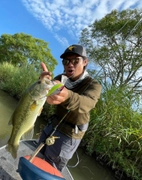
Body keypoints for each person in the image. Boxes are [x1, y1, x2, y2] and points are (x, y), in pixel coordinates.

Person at [37, 44, 102, 172]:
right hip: (54, 122)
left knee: (52, 166)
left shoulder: (94, 85)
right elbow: (42, 92)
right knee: (39, 150)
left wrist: (67, 96)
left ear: (85, 62)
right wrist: (42, 82)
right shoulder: (60, 78)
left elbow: (87, 103)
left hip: (71, 131)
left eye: (75, 60)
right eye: (66, 61)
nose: (70, 64)